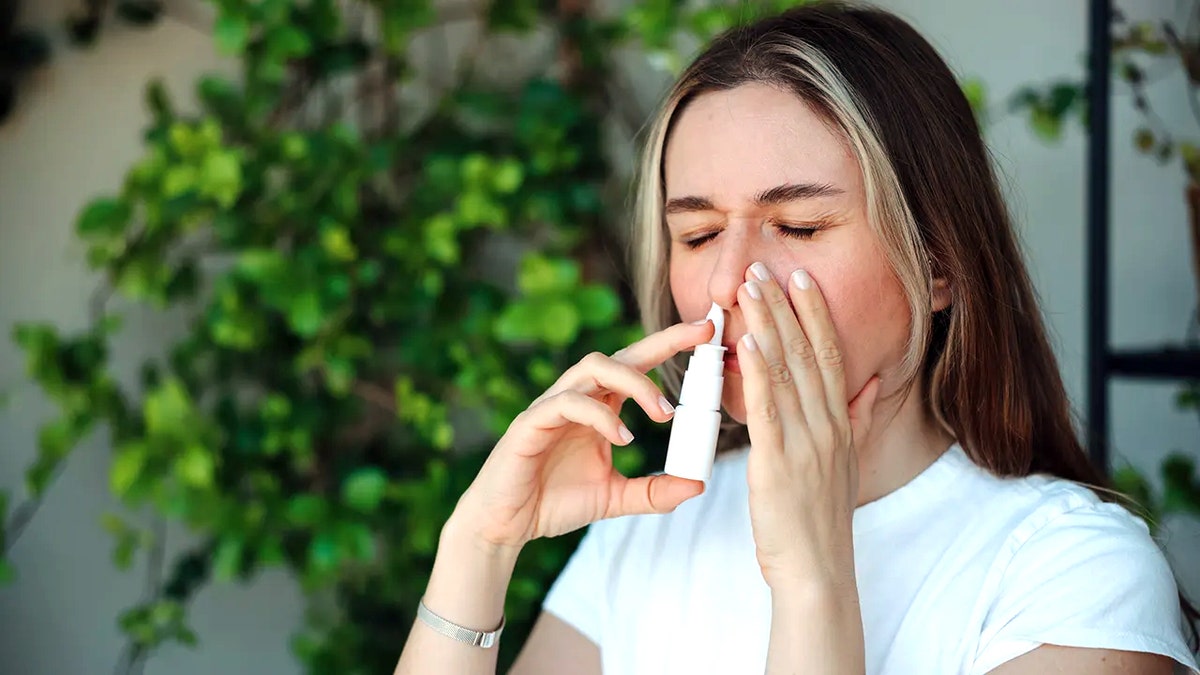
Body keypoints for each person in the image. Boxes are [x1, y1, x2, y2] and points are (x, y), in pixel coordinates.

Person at [396, 2, 1200, 673]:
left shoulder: (1073, 578)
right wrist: (479, 546)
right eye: (699, 235)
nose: (727, 282)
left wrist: (815, 583)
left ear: (939, 263)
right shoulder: (650, 534)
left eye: (800, 226)